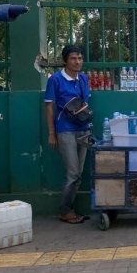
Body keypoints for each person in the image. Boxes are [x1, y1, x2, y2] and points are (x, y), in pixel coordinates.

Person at [44, 45, 91, 224]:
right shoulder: (55, 80)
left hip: (84, 128)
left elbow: (85, 103)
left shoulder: (84, 79)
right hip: (65, 130)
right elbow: (48, 106)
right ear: (65, 60)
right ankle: (64, 210)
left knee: (78, 173)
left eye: (80, 58)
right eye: (73, 58)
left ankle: (69, 208)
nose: (77, 61)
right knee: (73, 172)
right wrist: (51, 132)